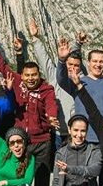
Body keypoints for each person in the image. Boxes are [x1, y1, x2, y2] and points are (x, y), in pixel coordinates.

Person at [0, 26, 59, 186]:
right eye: (27, 75)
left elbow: (51, 105)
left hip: (42, 141)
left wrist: (52, 117)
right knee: (18, 179)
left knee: (42, 181)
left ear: (39, 75)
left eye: (34, 75)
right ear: (23, 75)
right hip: (22, 143)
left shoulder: (46, 89)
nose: (30, 78)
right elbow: (2, 66)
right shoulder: (17, 82)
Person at [28, 18, 80, 149]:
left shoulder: (82, 81)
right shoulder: (54, 76)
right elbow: (44, 59)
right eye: (69, 64)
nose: (72, 68)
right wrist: (36, 39)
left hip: (76, 133)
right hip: (57, 133)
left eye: (75, 65)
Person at [58, 41, 103, 144]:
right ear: (88, 63)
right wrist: (62, 61)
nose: (98, 65)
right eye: (95, 61)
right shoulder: (77, 83)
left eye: (101, 62)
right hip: (82, 138)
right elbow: (61, 79)